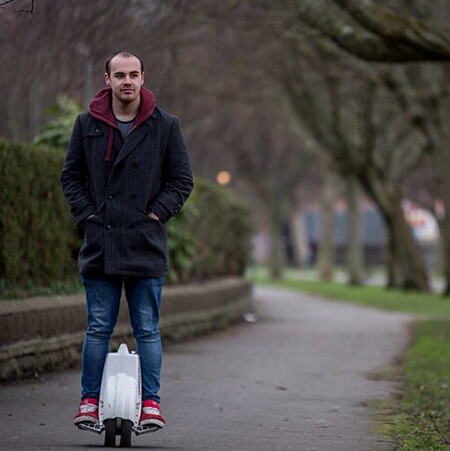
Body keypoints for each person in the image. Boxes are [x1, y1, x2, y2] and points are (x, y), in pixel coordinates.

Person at [61, 51, 194, 430]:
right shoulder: (86, 124)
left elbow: (182, 180)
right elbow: (71, 176)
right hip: (101, 240)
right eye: (119, 75)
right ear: (107, 79)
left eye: (133, 74)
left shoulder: (166, 125)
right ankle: (88, 402)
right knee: (98, 327)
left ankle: (151, 404)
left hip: (145, 242)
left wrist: (156, 214)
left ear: (143, 77)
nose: (127, 81)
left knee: (148, 329)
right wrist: (88, 215)